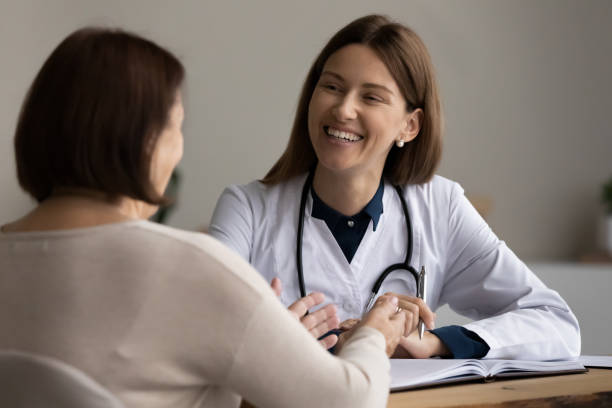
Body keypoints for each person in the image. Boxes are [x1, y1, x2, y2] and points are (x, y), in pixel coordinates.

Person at [0, 27, 423, 408]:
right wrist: (374, 337)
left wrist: (261, 341)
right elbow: (348, 402)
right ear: (144, 143)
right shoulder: (190, 267)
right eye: (176, 127)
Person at [209, 14, 581, 361]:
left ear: (410, 126)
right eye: (332, 87)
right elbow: (199, 333)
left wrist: (433, 343)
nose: (343, 109)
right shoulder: (247, 209)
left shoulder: (440, 207)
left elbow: (555, 323)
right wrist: (274, 343)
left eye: (370, 97)